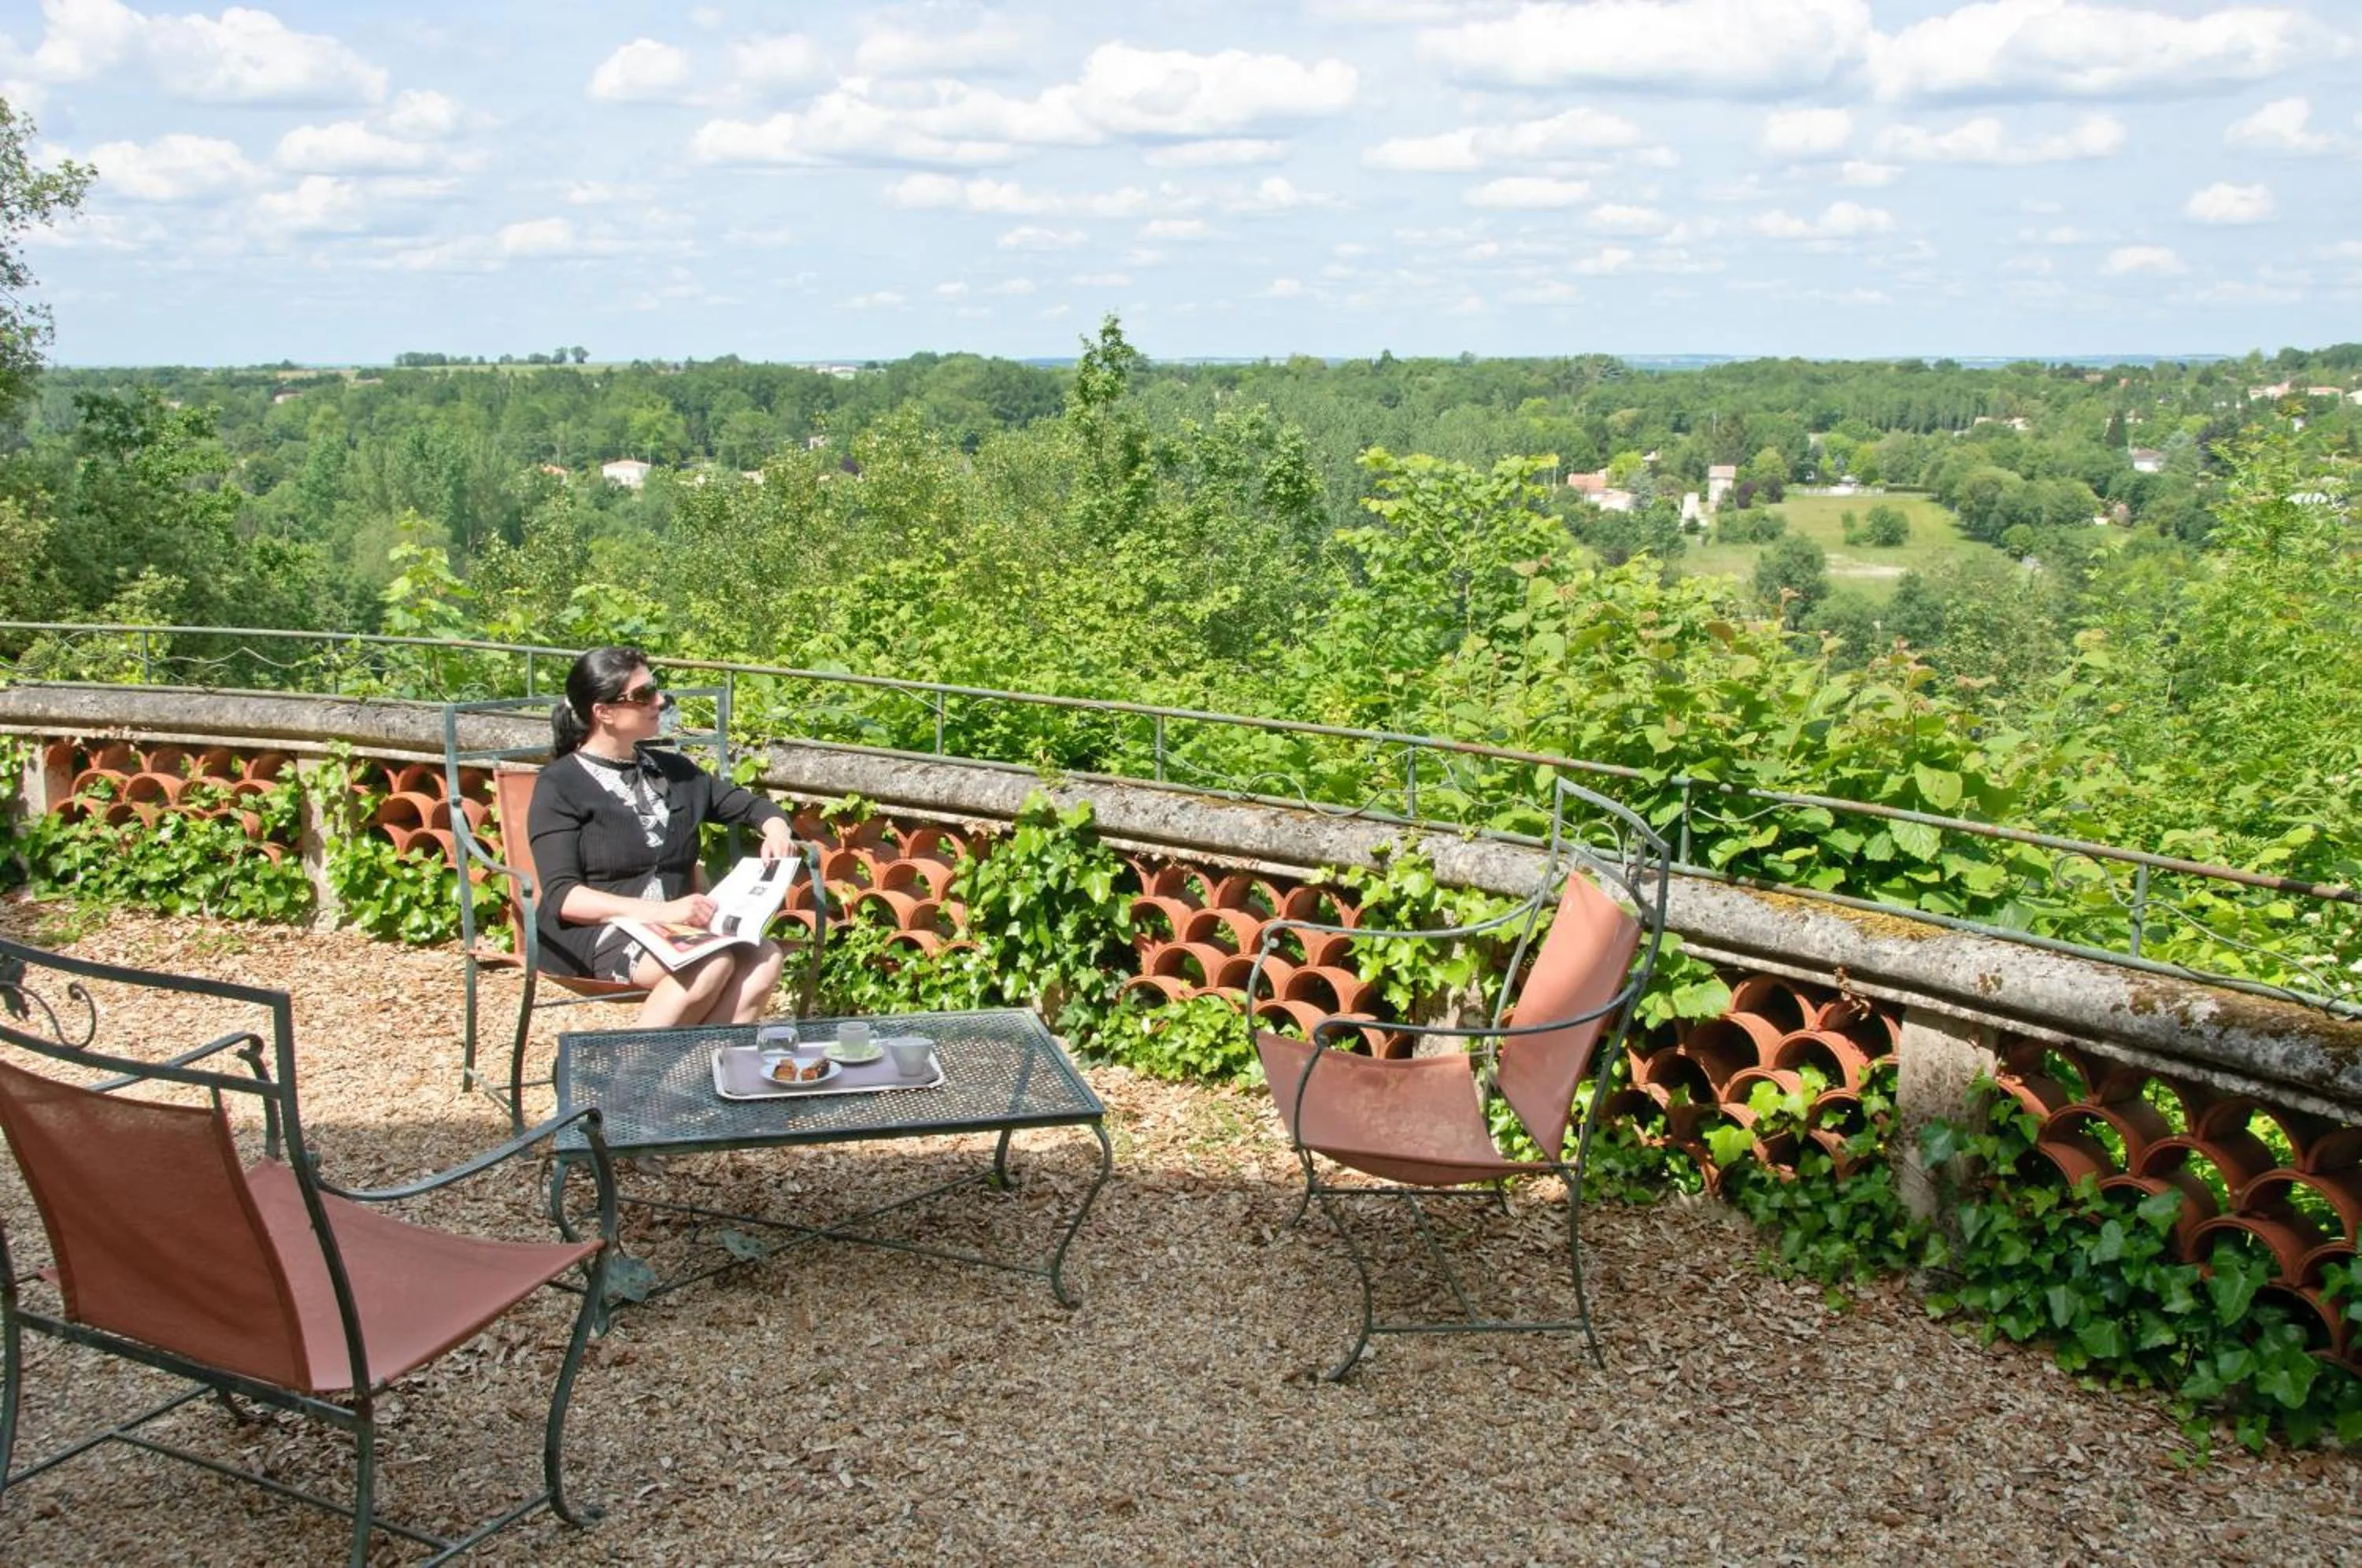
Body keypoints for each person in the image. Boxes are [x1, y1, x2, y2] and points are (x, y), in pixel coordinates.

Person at [528, 645, 798, 1028]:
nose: (660, 701)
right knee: (708, 963)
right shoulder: (560, 784)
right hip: (596, 931)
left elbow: (752, 807)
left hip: (675, 927)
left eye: (656, 689)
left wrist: (776, 828)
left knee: (764, 957)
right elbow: (565, 898)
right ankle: (633, 1076)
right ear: (602, 712)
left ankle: (702, 1075)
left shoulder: (672, 770)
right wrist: (665, 912)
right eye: (642, 696)